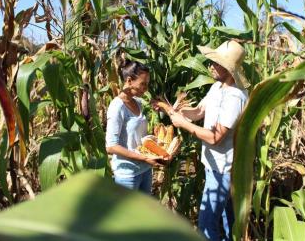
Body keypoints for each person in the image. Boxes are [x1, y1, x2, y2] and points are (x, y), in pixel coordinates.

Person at [167, 40, 248, 241]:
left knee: (206, 224)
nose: (210, 65)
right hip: (214, 166)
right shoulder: (217, 87)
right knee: (229, 220)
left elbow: (215, 138)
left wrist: (183, 124)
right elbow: (199, 112)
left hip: (224, 170)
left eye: (216, 63)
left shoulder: (235, 96)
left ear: (229, 69)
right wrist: (177, 111)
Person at [105, 55, 162, 194]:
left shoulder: (138, 103)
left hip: (145, 170)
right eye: (143, 84)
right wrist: (144, 158)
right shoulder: (117, 107)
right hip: (128, 175)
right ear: (129, 81)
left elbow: (137, 137)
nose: (146, 89)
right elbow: (111, 147)